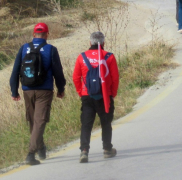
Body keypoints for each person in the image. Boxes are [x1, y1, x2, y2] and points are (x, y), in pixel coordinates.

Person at [9, 22, 66, 166]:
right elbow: (58, 72)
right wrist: (61, 89)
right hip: (44, 91)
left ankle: (41, 148)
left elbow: (15, 71)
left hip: (27, 90)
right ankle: (31, 153)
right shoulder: (51, 49)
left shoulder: (24, 48)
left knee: (34, 121)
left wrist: (14, 91)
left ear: (34, 34)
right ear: (47, 34)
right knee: (39, 121)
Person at [72, 31, 120, 163]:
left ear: (90, 42)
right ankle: (107, 149)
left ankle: (84, 151)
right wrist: (113, 93)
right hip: (105, 95)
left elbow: (76, 77)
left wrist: (80, 93)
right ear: (103, 43)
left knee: (86, 124)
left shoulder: (82, 57)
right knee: (106, 122)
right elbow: (115, 78)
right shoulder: (109, 56)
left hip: (87, 96)